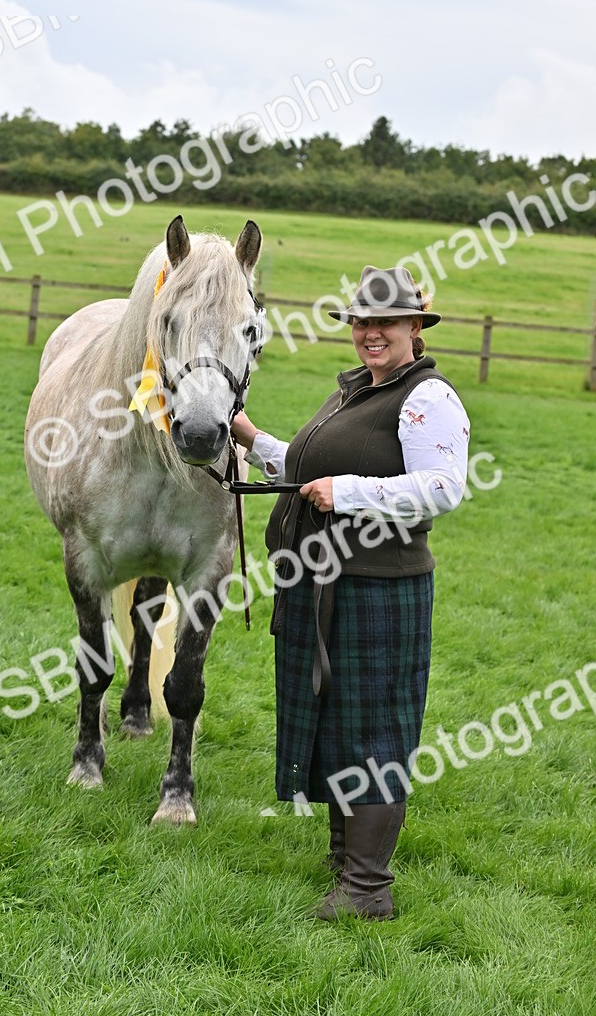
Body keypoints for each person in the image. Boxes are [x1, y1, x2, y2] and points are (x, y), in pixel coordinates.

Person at [232, 265, 470, 921]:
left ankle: (368, 890)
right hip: (324, 582)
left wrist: (351, 493)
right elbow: (311, 473)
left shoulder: (426, 399)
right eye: (361, 322)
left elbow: (444, 488)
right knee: (338, 722)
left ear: (414, 328)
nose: (370, 333)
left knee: (374, 731)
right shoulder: (359, 392)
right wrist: (252, 441)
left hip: (376, 587)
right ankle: (347, 864)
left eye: (385, 323)